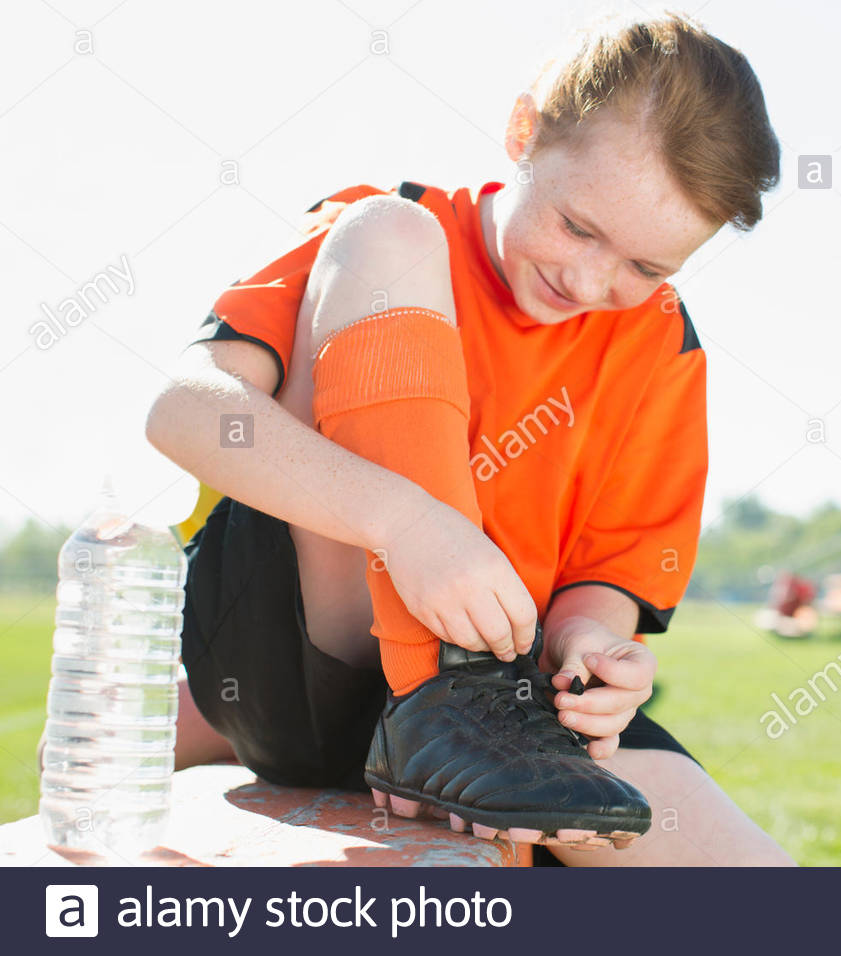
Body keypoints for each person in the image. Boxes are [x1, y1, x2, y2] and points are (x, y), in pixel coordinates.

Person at [141, 9, 793, 866]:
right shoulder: (397, 229)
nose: (591, 280)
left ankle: (288, 725)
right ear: (524, 132)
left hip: (507, 709)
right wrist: (406, 523)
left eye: (645, 268)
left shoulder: (661, 345)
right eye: (579, 228)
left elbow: (608, 575)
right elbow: (184, 411)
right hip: (311, 656)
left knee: (759, 880)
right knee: (383, 234)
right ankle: (376, 703)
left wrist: (590, 646)